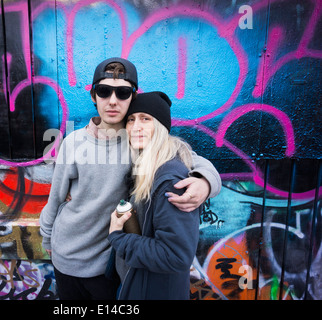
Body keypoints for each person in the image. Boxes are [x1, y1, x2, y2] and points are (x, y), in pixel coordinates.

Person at [40, 58, 220, 300]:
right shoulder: (74, 142)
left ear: (132, 98)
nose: (113, 100)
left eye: (122, 93)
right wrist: (47, 239)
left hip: (108, 262)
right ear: (94, 96)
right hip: (66, 256)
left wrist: (205, 181)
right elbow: (56, 198)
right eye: (104, 91)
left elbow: (187, 156)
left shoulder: (139, 140)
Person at [108, 91, 203, 300]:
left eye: (145, 119)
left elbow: (175, 255)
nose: (135, 127)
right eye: (131, 120)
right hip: (142, 285)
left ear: (160, 127)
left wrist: (118, 237)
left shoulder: (169, 180)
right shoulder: (147, 167)